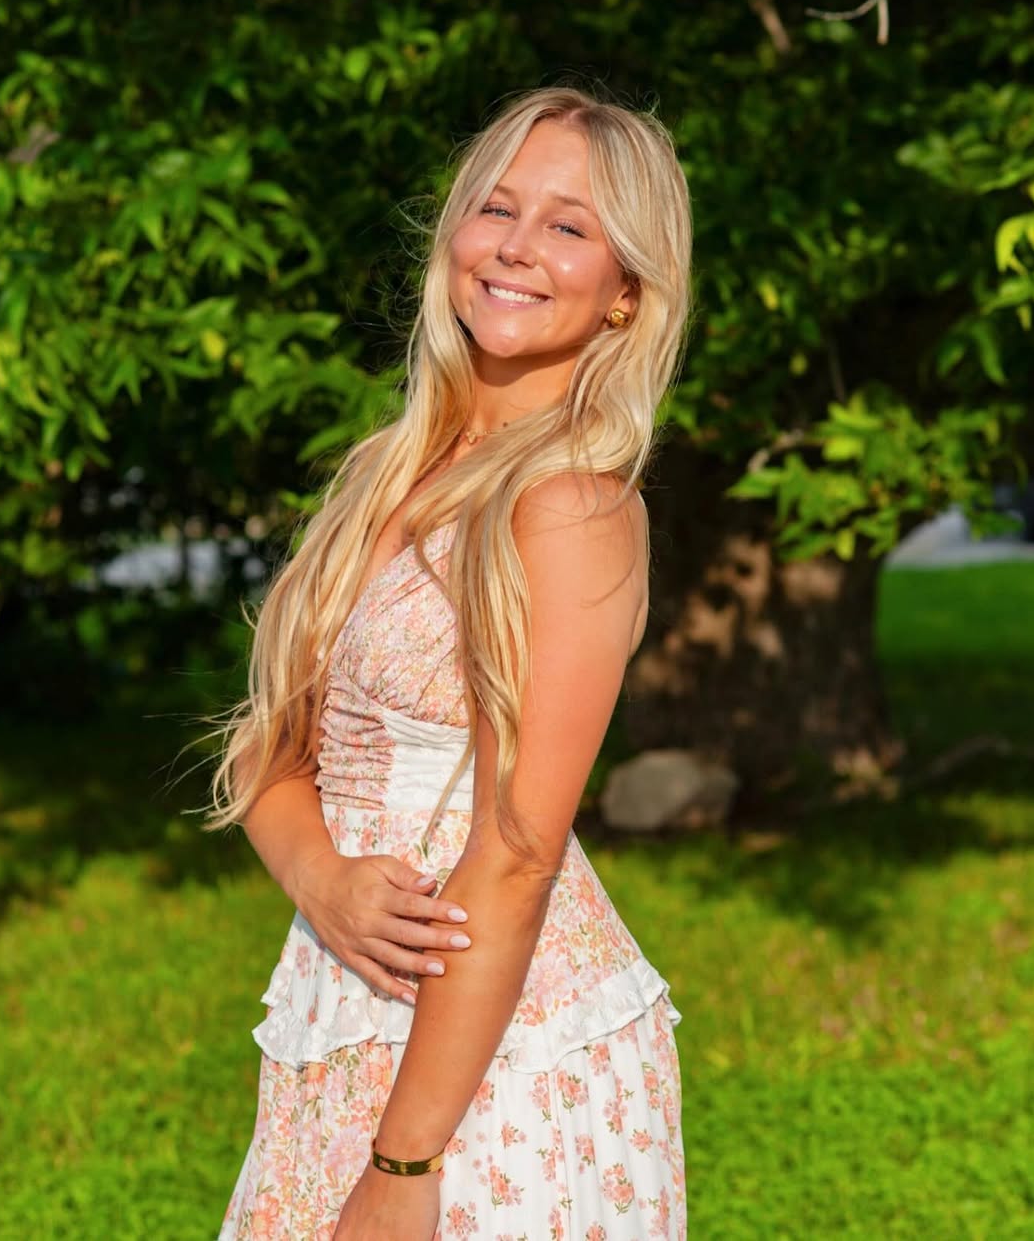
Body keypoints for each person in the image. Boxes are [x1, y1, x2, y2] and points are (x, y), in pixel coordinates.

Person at [208, 85, 693, 1239]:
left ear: (627, 291)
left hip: (500, 1067)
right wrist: (322, 880)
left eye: (569, 226)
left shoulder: (570, 507)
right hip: (342, 1013)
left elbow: (518, 856)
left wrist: (406, 1163)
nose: (517, 246)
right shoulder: (384, 470)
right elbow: (269, 745)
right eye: (496, 208)